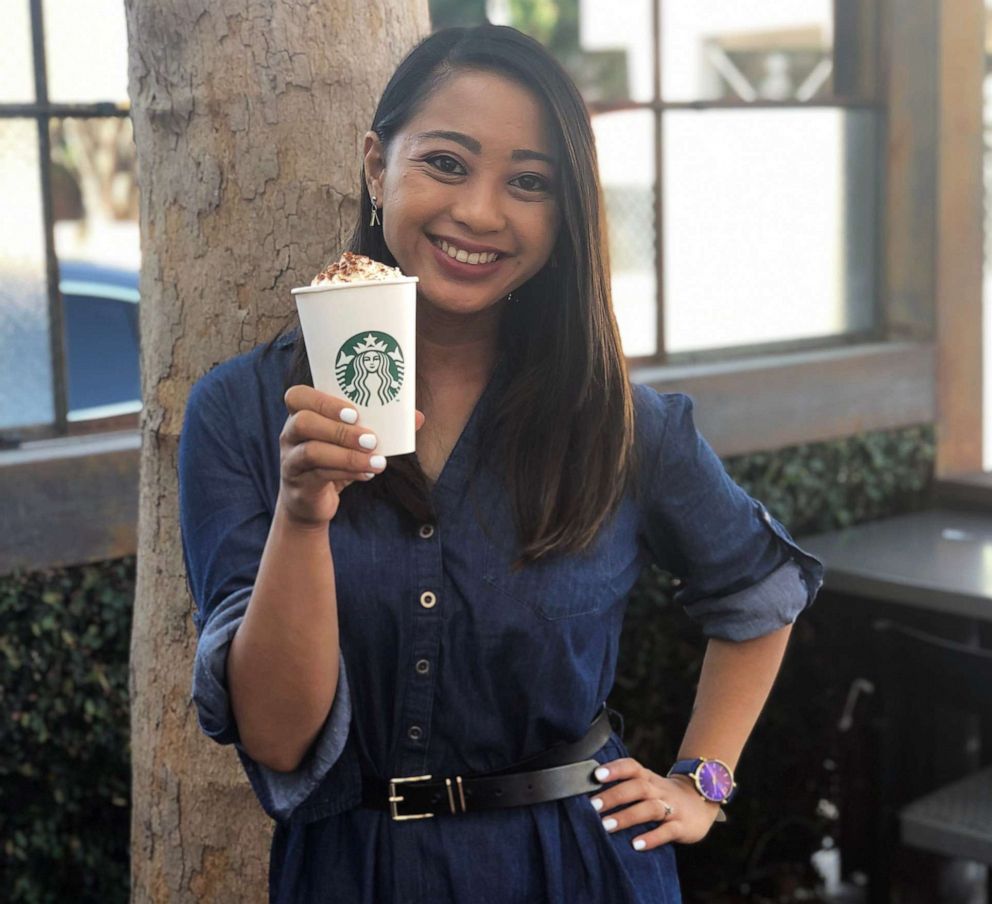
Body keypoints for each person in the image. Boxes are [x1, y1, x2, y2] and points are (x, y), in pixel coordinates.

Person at [178, 24, 824, 904]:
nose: (480, 213)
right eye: (446, 162)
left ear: (565, 218)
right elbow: (280, 740)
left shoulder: (620, 421)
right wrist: (304, 513)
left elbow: (758, 594)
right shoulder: (244, 412)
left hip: (579, 867)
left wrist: (701, 782)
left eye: (529, 183)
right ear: (377, 166)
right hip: (357, 873)